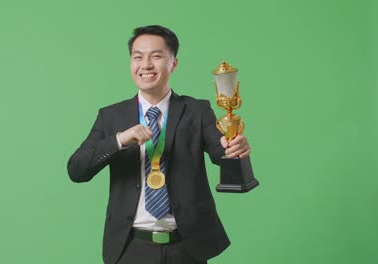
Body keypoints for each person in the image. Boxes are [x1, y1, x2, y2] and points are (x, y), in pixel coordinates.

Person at [67, 25, 251, 264]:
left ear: (173, 63)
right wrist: (119, 140)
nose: (146, 65)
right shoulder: (111, 116)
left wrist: (234, 147)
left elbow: (220, 152)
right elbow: (77, 170)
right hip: (130, 247)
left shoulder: (196, 111)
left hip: (187, 248)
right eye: (138, 57)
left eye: (156, 56)